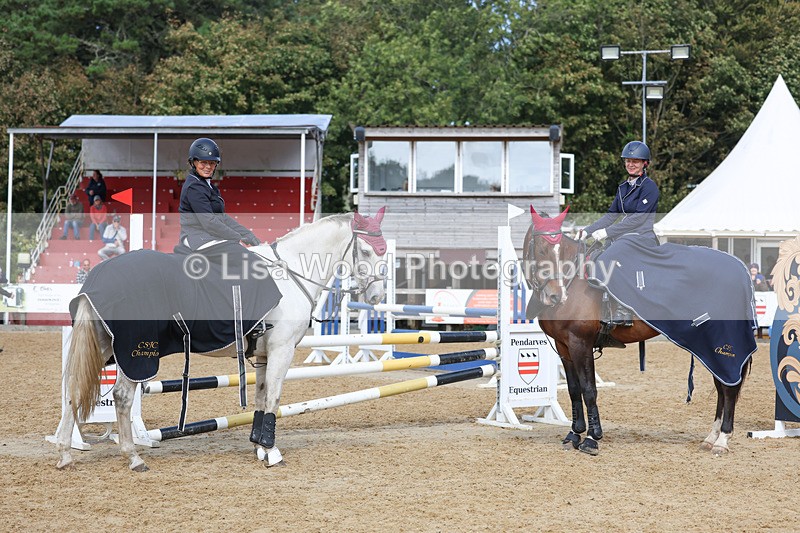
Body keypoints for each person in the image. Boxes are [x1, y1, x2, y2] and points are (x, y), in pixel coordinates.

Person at [177, 137, 269, 352]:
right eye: (203, 163)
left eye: (211, 163)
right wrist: (236, 239)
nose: (207, 167)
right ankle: (248, 320)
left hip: (210, 236)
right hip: (198, 238)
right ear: (193, 163)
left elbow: (223, 218)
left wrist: (248, 235)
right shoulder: (194, 187)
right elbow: (208, 222)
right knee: (247, 262)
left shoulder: (208, 186)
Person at [576, 140, 660, 326]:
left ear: (644, 163)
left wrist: (607, 232)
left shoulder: (649, 187)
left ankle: (624, 309)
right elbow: (610, 216)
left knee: (611, 257)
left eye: (635, 161)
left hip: (641, 237)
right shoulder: (622, 188)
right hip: (623, 238)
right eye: (628, 161)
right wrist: (587, 232)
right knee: (595, 255)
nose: (631, 164)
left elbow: (638, 219)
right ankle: (604, 304)